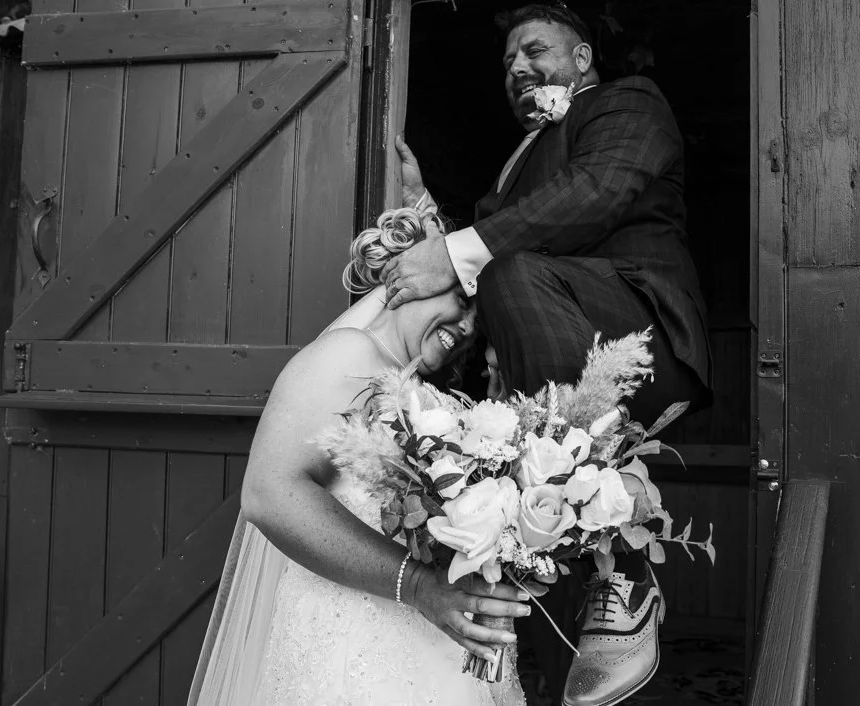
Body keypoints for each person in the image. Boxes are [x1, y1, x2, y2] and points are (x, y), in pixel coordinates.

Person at [382, 4, 713, 705]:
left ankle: (627, 573)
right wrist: (429, 216)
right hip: (541, 369)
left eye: (535, 50)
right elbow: (494, 245)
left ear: (584, 58)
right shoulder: (513, 170)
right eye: (508, 62)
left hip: (636, 333)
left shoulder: (628, 103)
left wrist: (462, 250)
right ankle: (553, 668)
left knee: (506, 267)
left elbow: (595, 195)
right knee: (527, 530)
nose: (517, 68)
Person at [188, 208, 527, 706]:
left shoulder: (423, 394)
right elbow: (268, 493)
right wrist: (416, 585)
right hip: (350, 664)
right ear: (410, 276)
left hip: (431, 667)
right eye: (462, 298)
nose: (469, 327)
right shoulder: (348, 355)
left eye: (481, 320)